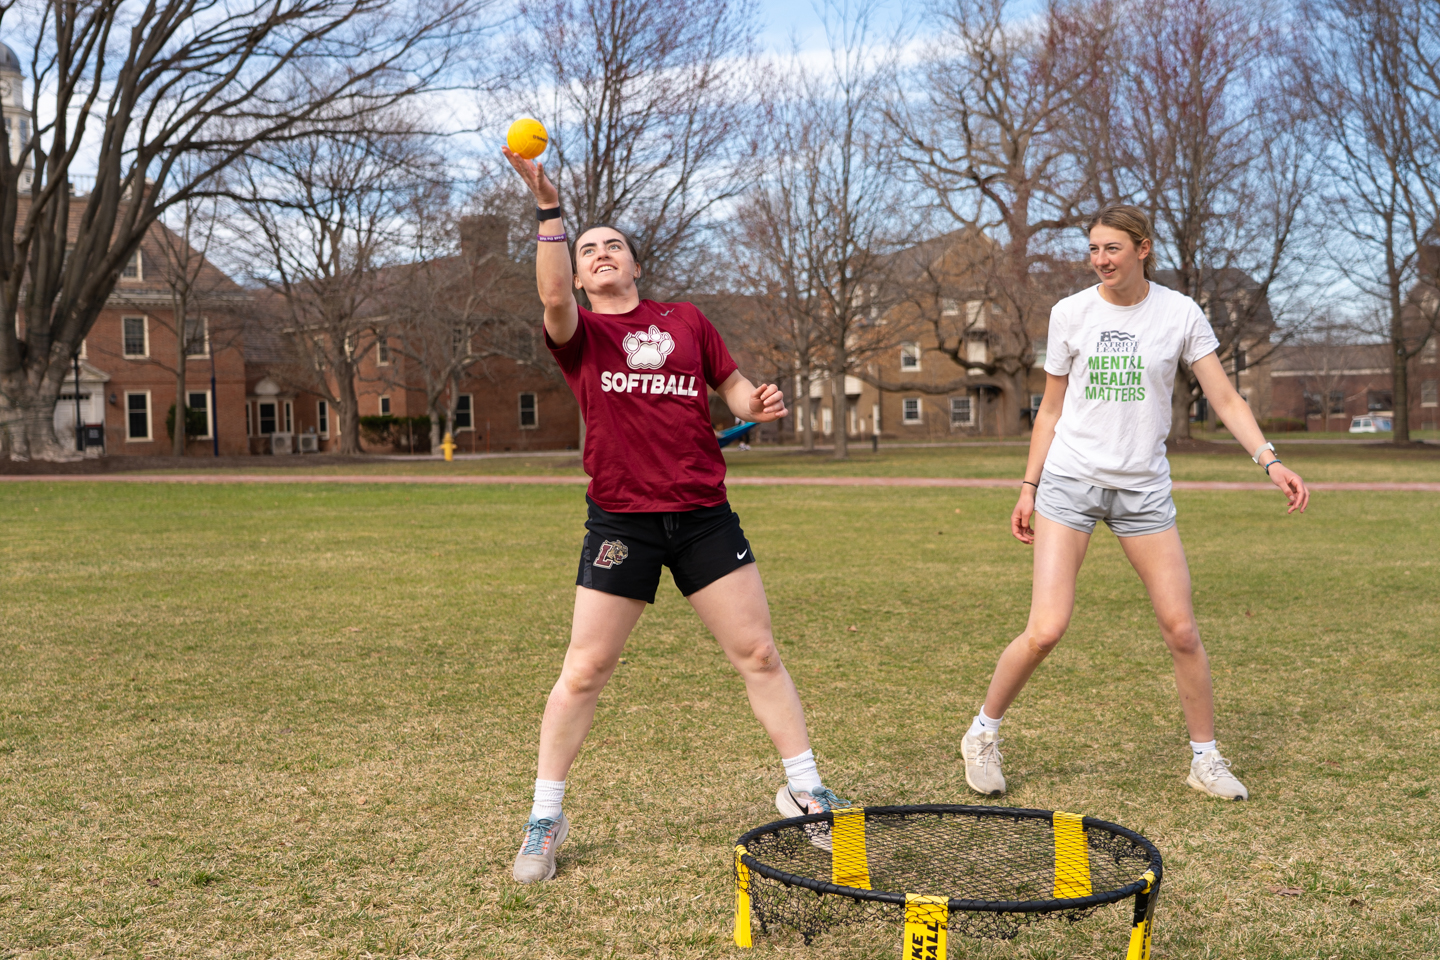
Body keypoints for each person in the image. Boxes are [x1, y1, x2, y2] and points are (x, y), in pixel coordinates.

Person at [502, 146, 849, 884]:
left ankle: (805, 788)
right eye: (588, 249)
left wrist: (755, 403)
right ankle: (546, 816)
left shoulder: (685, 321)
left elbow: (731, 385)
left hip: (702, 515)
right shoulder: (581, 336)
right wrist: (549, 210)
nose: (600, 255)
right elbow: (554, 297)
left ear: (634, 265)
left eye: (613, 247)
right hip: (622, 521)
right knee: (587, 668)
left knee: (758, 655)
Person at [959, 205, 1309, 802]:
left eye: (1113, 248)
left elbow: (1224, 396)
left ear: (1143, 248)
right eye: (1094, 249)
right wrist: (1028, 485)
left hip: (1143, 490)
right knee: (1046, 629)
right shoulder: (1070, 313)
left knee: (1181, 629)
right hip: (1069, 482)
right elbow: (1049, 410)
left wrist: (1269, 460)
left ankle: (1205, 758)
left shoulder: (1178, 313)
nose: (1101, 260)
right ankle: (982, 732)